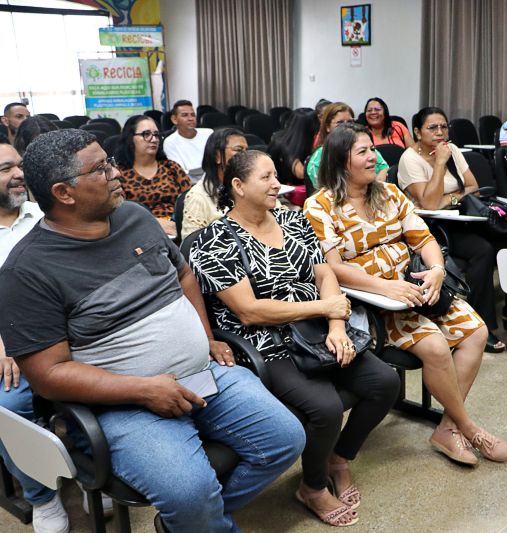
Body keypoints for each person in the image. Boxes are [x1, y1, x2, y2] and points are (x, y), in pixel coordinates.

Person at [0, 129, 305, 533]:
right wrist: (144, 389)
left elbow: (184, 278)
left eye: (110, 161)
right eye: (102, 168)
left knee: (286, 438)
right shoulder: (26, 272)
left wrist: (206, 335)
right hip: (124, 403)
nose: (116, 172)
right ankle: (200, 520)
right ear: (64, 192)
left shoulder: (134, 216)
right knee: (189, 492)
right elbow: (48, 376)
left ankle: (193, 523)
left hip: (203, 372)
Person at [190, 150, 399, 527]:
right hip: (265, 345)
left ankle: (338, 459)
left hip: (318, 331)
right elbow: (249, 311)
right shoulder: (214, 240)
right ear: (237, 186)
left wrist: (336, 324)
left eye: (276, 176)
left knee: (385, 381)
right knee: (325, 408)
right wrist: (324, 310)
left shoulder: (291, 217)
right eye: (266, 178)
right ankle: (313, 487)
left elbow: (324, 274)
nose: (277, 184)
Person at [305, 122, 507, 467]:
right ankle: (468, 426)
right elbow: (331, 267)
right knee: (433, 346)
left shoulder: (389, 194)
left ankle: (447, 427)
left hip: (413, 290)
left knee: (476, 331)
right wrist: (385, 287)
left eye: (372, 149)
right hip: (371, 303)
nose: (375, 157)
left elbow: (424, 239)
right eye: (364, 151)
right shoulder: (320, 206)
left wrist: (436, 270)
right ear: (342, 161)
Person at [397, 106, 507, 351]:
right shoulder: (410, 158)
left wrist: (449, 198)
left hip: (462, 216)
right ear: (417, 132)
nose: (440, 132)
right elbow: (428, 204)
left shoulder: (453, 149)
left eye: (443, 127)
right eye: (433, 127)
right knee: (482, 250)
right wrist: (439, 163)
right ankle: (482, 323)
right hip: (433, 226)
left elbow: (473, 185)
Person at [0, 140, 66, 533]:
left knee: (94, 378)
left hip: (60, 330)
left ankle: (96, 470)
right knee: (7, 406)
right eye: (6, 168)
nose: (19, 173)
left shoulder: (46, 212)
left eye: (20, 165)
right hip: (7, 344)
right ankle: (42, 495)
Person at [115, 115, 192, 237]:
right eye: (146, 134)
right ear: (130, 139)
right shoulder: (119, 173)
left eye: (156, 134)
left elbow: (191, 200)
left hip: (177, 230)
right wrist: (155, 222)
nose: (154, 139)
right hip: (137, 233)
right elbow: (118, 213)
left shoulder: (171, 167)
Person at [181, 127, 248, 240]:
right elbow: (191, 247)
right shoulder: (198, 197)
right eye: (238, 150)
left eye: (247, 151)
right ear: (217, 156)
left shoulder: (253, 186)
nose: (246, 156)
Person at [306, 102, 389, 188]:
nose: (346, 126)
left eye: (350, 122)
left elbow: (384, 168)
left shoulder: (365, 147)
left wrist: (374, 191)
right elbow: (324, 189)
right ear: (327, 127)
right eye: (340, 123)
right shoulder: (318, 159)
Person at [163, 100, 214, 178]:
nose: (190, 118)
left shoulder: (209, 133)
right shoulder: (170, 142)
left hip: (213, 178)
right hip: (190, 184)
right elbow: (180, 172)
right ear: (174, 119)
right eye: (185, 115)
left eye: (193, 115)